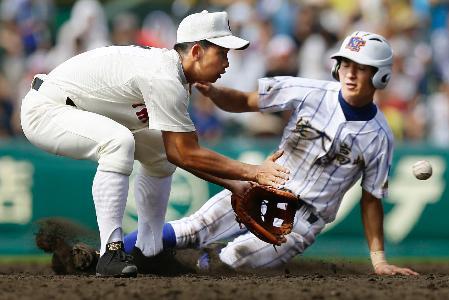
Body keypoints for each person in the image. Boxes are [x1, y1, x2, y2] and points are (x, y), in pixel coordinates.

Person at [123, 31, 419, 276]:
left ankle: (183, 265)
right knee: (191, 228)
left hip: (301, 221)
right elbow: (247, 100)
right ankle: (110, 254)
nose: (351, 74)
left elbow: (371, 199)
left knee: (231, 261)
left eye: (362, 68)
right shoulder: (308, 90)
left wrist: (378, 259)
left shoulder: (379, 136)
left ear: (380, 76)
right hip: (263, 186)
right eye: (345, 64)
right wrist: (216, 94)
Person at [21, 10, 290, 278]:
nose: (227, 63)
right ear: (196, 51)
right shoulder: (164, 78)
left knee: (160, 155)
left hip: (75, 109)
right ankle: (110, 251)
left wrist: (236, 185)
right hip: (47, 110)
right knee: (118, 142)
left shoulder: (175, 79)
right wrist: (252, 172)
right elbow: (185, 153)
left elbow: (178, 153)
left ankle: (149, 250)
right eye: (222, 53)